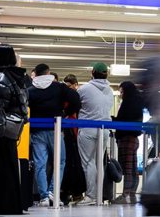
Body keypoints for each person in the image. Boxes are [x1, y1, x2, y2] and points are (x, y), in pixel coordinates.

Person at [28, 63, 81, 207]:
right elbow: (76, 99)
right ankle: (53, 191)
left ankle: (44, 197)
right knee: (60, 161)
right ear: (48, 72)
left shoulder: (30, 90)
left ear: (36, 74)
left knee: (40, 163)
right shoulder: (58, 87)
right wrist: (66, 113)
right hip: (55, 130)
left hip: (37, 130)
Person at [0, 44, 29, 215]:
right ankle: (12, 203)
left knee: (0, 166)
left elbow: (0, 105)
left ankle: (2, 203)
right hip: (14, 129)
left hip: (2, 129)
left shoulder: (1, 79)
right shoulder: (18, 77)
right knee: (10, 165)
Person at [76, 63, 114, 206]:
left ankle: (91, 195)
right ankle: (99, 194)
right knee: (99, 162)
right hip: (104, 129)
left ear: (92, 72)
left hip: (87, 129)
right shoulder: (110, 90)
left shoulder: (84, 89)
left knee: (88, 162)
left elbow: (75, 103)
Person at [112, 81, 144, 205]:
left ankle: (125, 195)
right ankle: (132, 195)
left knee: (127, 169)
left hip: (126, 139)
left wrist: (112, 119)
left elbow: (122, 120)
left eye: (121, 91)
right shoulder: (137, 102)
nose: (120, 94)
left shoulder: (128, 103)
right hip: (134, 139)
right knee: (133, 168)